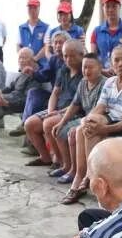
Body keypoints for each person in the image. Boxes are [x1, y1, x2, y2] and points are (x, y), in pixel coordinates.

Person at [62, 46, 122, 204]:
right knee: (83, 128)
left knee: (94, 131)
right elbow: (100, 107)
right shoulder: (110, 82)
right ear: (111, 63)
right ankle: (83, 175)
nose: (120, 63)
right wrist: (87, 120)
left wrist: (104, 129)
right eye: (116, 60)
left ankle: (90, 175)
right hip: (113, 121)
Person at [24, 39, 84, 167]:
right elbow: (55, 93)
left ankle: (61, 162)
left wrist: (55, 114)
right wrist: (51, 111)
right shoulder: (63, 69)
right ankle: (45, 157)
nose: (68, 59)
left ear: (81, 55)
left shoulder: (85, 72)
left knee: (48, 123)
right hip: (58, 108)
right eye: (65, 56)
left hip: (75, 111)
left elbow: (78, 103)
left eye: (72, 56)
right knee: (30, 124)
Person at [51, 53, 106, 188]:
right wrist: (62, 122)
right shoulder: (83, 82)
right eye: (84, 67)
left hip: (98, 120)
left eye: (90, 67)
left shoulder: (105, 84)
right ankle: (66, 166)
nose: (87, 71)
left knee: (73, 132)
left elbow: (101, 110)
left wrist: (80, 125)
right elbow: (75, 104)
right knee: (59, 130)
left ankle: (76, 171)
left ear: (100, 68)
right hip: (84, 118)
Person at [11, 31, 70, 142]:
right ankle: (24, 124)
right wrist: (33, 73)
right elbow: (43, 75)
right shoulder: (54, 59)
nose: (57, 46)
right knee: (33, 92)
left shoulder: (71, 61)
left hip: (67, 100)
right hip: (54, 95)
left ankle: (28, 130)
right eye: (55, 43)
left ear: (67, 44)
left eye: (60, 43)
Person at [18, 0, 49, 69]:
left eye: (35, 8)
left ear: (39, 9)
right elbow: (18, 46)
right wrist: (23, 59)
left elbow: (46, 46)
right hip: (25, 66)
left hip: (41, 66)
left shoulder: (46, 27)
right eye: (30, 8)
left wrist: (35, 59)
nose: (32, 10)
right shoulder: (21, 27)